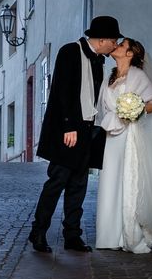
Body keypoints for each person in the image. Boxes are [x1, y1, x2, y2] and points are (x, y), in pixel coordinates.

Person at [29, 16, 123, 253]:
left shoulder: (99, 61)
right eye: (114, 40)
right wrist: (69, 126)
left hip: (88, 129)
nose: (115, 45)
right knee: (57, 182)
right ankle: (38, 232)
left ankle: (72, 235)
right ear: (102, 39)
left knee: (78, 185)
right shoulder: (70, 51)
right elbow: (62, 89)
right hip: (67, 128)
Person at [95, 38, 152, 253]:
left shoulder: (138, 76)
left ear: (130, 54)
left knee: (128, 180)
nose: (117, 47)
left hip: (129, 133)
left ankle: (130, 234)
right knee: (111, 181)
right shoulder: (109, 77)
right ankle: (109, 236)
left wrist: (135, 110)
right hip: (111, 135)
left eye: (122, 46)